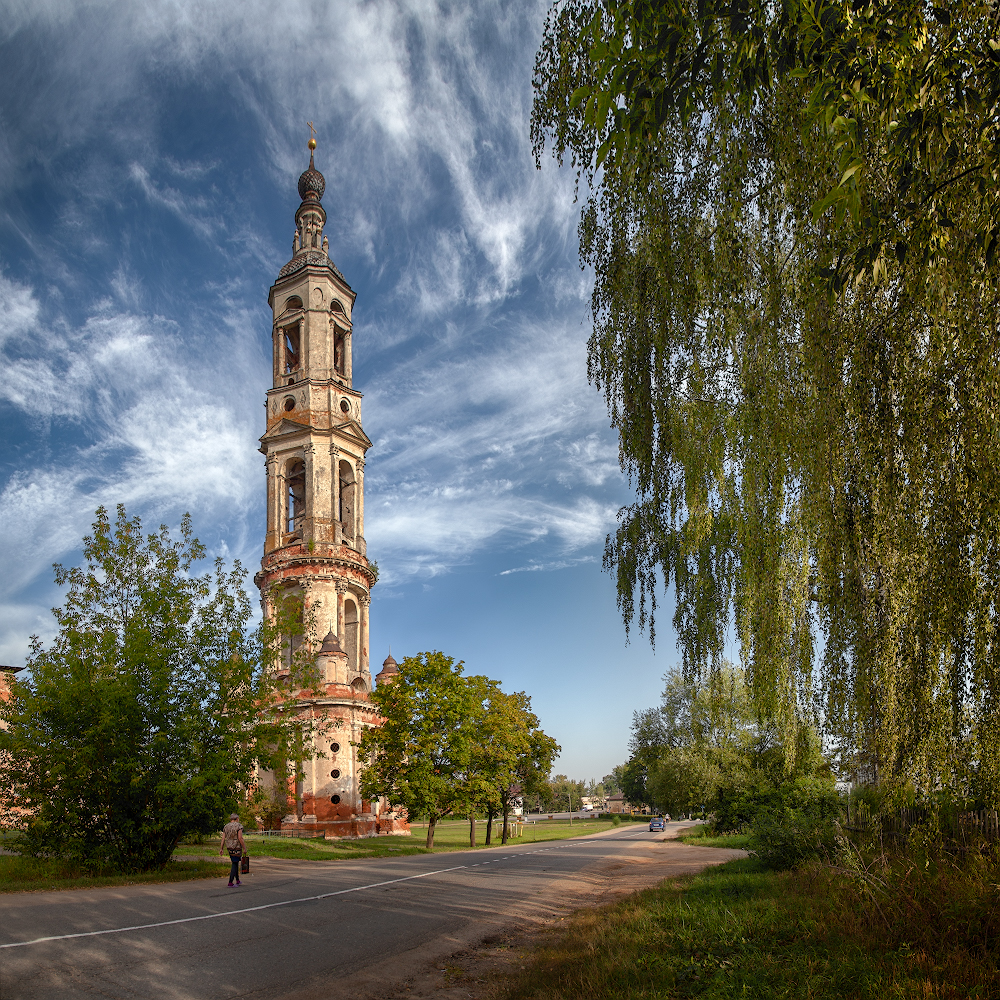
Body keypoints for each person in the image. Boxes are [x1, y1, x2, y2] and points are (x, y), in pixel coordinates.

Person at [219, 813, 246, 887]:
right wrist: (244, 848)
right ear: (237, 818)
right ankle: (230, 882)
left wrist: (221, 848)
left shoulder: (226, 826)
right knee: (234, 864)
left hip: (229, 847)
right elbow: (240, 838)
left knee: (235, 862)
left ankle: (237, 880)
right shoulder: (239, 826)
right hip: (236, 847)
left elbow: (223, 838)